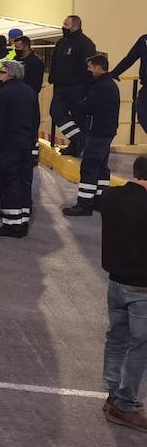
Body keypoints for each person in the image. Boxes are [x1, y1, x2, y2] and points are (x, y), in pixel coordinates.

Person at [100, 155, 147, 432]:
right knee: (139, 346)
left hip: (115, 283)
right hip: (142, 288)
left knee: (116, 338)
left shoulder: (110, 197)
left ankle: (113, 393)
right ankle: (125, 405)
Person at [64, 54, 120, 217]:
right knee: (101, 168)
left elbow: (86, 107)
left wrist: (76, 105)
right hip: (105, 132)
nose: (88, 71)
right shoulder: (108, 85)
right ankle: (100, 200)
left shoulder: (101, 87)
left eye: (90, 67)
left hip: (98, 132)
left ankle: (84, 204)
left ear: (98, 68)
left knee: (89, 167)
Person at [0, 60, 40, 237]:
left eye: (1, 72)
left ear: (10, 74)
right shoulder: (30, 91)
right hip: (26, 144)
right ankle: (23, 218)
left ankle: (12, 224)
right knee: (23, 180)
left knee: (9, 182)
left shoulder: (3, 94)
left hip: (8, 145)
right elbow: (36, 119)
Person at [49, 15, 97, 156]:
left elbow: (89, 67)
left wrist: (87, 86)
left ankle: (76, 146)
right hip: (60, 87)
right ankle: (78, 139)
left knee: (79, 117)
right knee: (56, 112)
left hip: (78, 88)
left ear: (75, 26)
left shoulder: (86, 44)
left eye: (66, 24)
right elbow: (55, 61)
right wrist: (53, 76)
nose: (63, 26)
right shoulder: (61, 43)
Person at [111, 32, 147, 134]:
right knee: (142, 114)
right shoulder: (143, 40)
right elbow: (130, 58)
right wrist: (114, 73)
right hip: (146, 86)